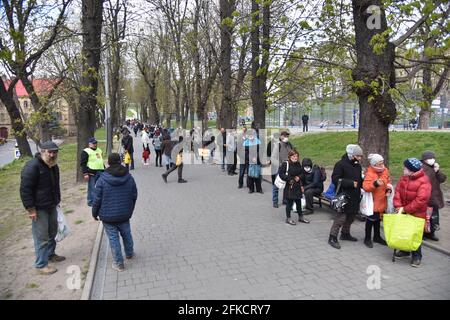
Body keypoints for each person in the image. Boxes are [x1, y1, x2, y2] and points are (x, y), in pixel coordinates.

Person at [20, 141, 65, 275]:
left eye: (55, 152)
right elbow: (25, 190)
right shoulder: (32, 166)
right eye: (49, 152)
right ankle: (41, 265)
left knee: (52, 232)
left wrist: (57, 200)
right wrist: (30, 209)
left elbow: (55, 186)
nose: (52, 154)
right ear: (42, 152)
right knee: (42, 237)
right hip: (38, 208)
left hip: (51, 205)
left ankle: (51, 255)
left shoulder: (53, 166)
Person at [92, 153, 137, 272]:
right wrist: (130, 209)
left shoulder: (102, 179)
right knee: (126, 233)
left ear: (109, 163)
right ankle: (129, 253)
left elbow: (97, 199)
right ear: (120, 161)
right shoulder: (129, 177)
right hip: (124, 214)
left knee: (113, 238)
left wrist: (94, 213)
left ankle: (119, 263)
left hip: (108, 216)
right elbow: (134, 194)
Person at [393, 158, 432, 267]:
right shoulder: (404, 178)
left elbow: (421, 200)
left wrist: (405, 209)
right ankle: (405, 251)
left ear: (411, 170)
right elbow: (397, 193)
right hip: (403, 210)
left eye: (405, 167)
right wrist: (398, 206)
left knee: (415, 235)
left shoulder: (424, 181)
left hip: (417, 213)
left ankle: (417, 256)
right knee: (404, 231)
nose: (403, 169)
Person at [328, 144, 363, 249]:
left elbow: (359, 179)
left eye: (361, 156)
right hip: (344, 196)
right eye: (358, 156)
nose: (360, 158)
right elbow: (335, 179)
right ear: (352, 155)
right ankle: (332, 237)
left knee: (351, 216)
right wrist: (351, 183)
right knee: (341, 218)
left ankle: (345, 233)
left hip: (355, 196)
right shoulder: (340, 164)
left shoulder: (357, 165)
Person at [362, 154, 391, 248]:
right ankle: (367, 238)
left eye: (382, 162)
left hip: (382, 200)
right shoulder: (370, 173)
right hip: (373, 201)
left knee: (378, 219)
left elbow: (388, 182)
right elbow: (366, 187)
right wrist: (375, 184)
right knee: (370, 220)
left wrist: (389, 189)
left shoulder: (385, 170)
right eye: (379, 163)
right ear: (374, 164)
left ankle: (377, 237)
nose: (382, 164)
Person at [279, 150, 310, 225]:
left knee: (298, 202)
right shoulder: (285, 164)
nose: (295, 158)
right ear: (290, 157)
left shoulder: (298, 164)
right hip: (289, 186)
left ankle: (301, 217)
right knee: (289, 203)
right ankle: (288, 218)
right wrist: (289, 179)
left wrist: (299, 177)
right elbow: (281, 174)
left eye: (296, 156)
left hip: (297, 186)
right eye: (293, 156)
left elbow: (302, 173)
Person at [421, 151, 446, 241]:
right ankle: (423, 233)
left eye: (432, 158)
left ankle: (431, 233)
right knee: (425, 216)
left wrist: (438, 171)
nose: (431, 160)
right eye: (429, 158)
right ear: (424, 160)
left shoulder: (435, 167)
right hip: (426, 196)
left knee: (434, 217)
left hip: (435, 196)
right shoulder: (422, 168)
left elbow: (442, 179)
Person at [267, 131, 293, 207]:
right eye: (284, 136)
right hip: (280, 168)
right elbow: (273, 158)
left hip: (288, 168)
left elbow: (293, 154)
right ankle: (275, 201)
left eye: (287, 136)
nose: (286, 138)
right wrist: (280, 165)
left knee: (288, 184)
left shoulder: (289, 144)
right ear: (281, 136)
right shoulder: (278, 145)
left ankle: (285, 200)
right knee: (276, 185)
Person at [81, 137, 105, 206]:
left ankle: (97, 200)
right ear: (89, 144)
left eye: (96, 143)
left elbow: (100, 160)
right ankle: (91, 201)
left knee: (101, 186)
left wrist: (104, 169)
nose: (95, 144)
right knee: (92, 187)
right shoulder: (86, 151)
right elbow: (83, 163)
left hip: (101, 171)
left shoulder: (99, 150)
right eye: (93, 143)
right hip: (91, 172)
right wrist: (85, 173)